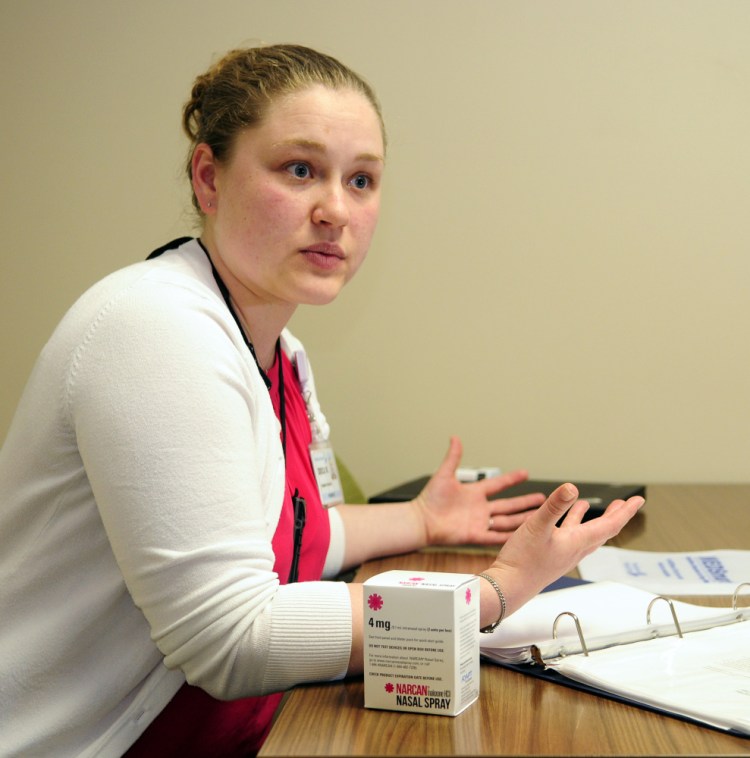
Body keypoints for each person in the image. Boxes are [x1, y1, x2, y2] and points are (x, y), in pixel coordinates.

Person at [0, 44, 644, 757]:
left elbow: (288, 538)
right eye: (299, 170)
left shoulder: (275, 349)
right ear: (209, 179)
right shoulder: (157, 330)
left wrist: (424, 520)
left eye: (361, 180)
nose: (336, 210)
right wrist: (496, 593)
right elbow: (229, 640)